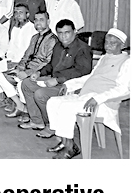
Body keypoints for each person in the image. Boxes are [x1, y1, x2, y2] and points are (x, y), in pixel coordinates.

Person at [46, 29, 129, 159]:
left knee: (66, 107)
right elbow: (90, 77)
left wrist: (98, 98)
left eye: (112, 43)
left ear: (122, 45)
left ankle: (70, 148)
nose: (108, 46)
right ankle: (66, 142)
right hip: (86, 96)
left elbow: (124, 89)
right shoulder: (104, 58)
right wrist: (69, 84)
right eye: (106, 42)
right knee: (53, 102)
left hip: (102, 103)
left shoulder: (127, 62)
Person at [19, 19, 91, 135]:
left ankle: (52, 125)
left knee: (40, 94)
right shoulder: (58, 46)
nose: (63, 36)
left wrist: (58, 80)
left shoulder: (83, 48)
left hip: (71, 86)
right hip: (54, 81)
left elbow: (82, 71)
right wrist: (39, 73)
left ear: (75, 31)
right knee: (27, 84)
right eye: (60, 33)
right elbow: (51, 65)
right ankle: (37, 121)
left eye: (67, 32)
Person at [0, 10, 58, 119]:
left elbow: (48, 63)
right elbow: (26, 56)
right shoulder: (34, 37)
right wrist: (19, 68)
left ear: (48, 21)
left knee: (22, 84)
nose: (38, 22)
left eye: (41, 20)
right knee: (2, 77)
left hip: (40, 74)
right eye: (36, 20)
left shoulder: (52, 40)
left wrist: (27, 73)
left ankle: (30, 112)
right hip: (26, 70)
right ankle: (20, 106)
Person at [0, 3, 37, 109]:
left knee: (4, 74)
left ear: (27, 14)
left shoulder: (32, 29)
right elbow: (10, 47)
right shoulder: (15, 28)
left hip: (23, 63)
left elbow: (31, 52)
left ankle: (12, 99)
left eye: (21, 12)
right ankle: (6, 97)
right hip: (12, 60)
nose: (18, 15)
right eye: (16, 13)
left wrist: (18, 63)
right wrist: (9, 59)